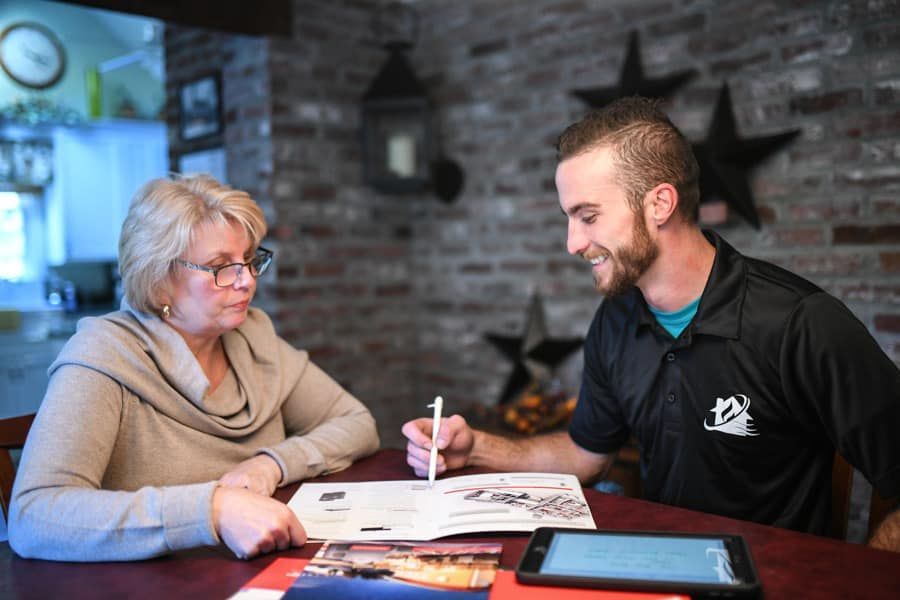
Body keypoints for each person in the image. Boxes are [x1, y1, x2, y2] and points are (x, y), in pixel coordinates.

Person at [403, 97, 900, 551]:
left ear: (659, 203)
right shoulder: (616, 319)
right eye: (568, 218)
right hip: (654, 572)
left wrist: (861, 580)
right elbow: (585, 454)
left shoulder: (801, 322)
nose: (572, 242)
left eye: (588, 216)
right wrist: (476, 449)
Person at [9, 174, 380, 562]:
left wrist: (272, 463)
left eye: (250, 260)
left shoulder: (252, 337)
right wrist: (213, 509)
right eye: (221, 267)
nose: (247, 281)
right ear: (159, 281)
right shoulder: (105, 355)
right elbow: (34, 514)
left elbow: (357, 423)